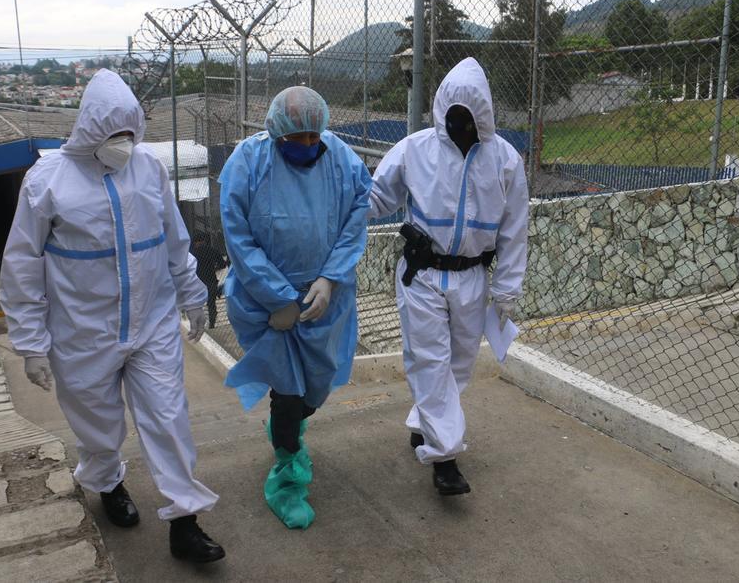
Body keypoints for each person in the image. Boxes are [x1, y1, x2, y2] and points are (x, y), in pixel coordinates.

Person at [0, 69, 225, 563]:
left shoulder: (149, 170)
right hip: (82, 332)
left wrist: (192, 293)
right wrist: (31, 342)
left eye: (130, 134)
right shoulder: (47, 182)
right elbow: (21, 265)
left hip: (152, 325)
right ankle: (107, 483)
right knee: (98, 428)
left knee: (169, 419)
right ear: (89, 131)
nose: (123, 144)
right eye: (113, 134)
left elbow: (173, 239)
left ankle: (185, 521)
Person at [368, 58, 528, 496]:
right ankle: (445, 459)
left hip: (472, 276)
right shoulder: (415, 149)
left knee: (459, 364)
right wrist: (341, 197)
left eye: (470, 118)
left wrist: (507, 288)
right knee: (429, 360)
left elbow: (515, 229)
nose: (461, 125)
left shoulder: (505, 161)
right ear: (442, 111)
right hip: (423, 273)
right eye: (454, 116)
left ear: (484, 117)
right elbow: (378, 197)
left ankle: (424, 423)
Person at [219, 85, 371, 529]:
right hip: (268, 302)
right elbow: (239, 235)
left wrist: (330, 277)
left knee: (314, 388)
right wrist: (279, 297)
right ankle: (286, 477)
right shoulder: (247, 162)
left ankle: (289, 427)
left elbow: (358, 210)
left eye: (313, 137)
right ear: (276, 131)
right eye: (297, 138)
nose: (307, 145)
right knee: (287, 393)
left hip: (327, 298)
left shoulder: (341, 158)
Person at [190, 236, 228, 329]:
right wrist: (214, 268)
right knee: (211, 303)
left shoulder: (192, 253)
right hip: (210, 279)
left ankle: (197, 324)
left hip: (197, 281)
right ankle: (212, 324)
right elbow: (223, 264)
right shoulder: (211, 250)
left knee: (196, 304)